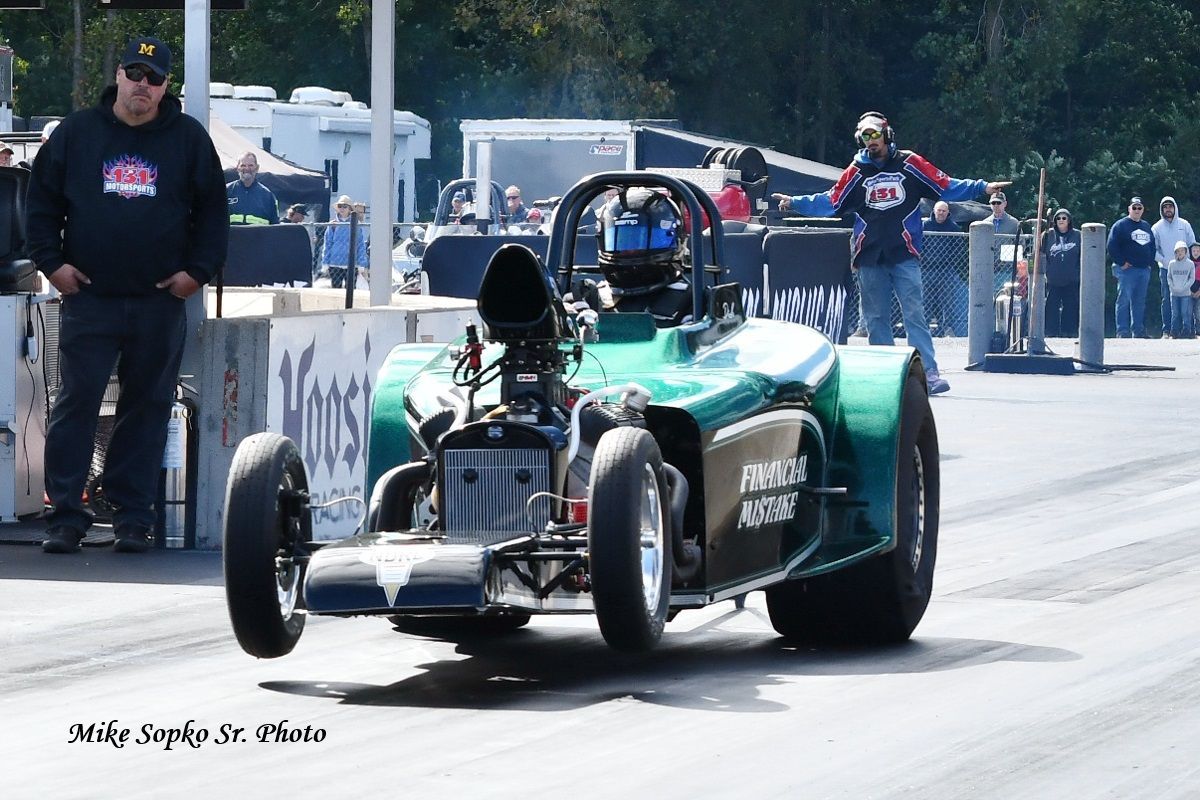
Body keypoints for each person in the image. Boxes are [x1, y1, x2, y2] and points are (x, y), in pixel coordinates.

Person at [26, 35, 228, 554]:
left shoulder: (188, 139)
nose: (143, 84)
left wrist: (197, 274)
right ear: (118, 75)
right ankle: (66, 515)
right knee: (76, 403)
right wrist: (52, 264)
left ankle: (133, 518)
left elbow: (212, 215)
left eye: (154, 78)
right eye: (135, 73)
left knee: (148, 407)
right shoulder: (76, 133)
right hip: (89, 297)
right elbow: (41, 204)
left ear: (165, 88)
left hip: (160, 300)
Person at [772, 111, 1010, 395]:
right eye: (864, 136)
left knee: (914, 314)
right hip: (869, 254)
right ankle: (887, 376)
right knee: (876, 319)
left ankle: (928, 372)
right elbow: (832, 200)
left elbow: (945, 185)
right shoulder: (857, 170)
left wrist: (982, 187)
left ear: (887, 134)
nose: (870, 141)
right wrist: (796, 202)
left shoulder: (910, 163)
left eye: (874, 134)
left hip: (904, 252)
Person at [592, 187, 692, 327]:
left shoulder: (691, 301)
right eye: (623, 240)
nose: (631, 250)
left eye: (640, 238)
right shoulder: (592, 298)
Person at [1107, 196, 1157, 338]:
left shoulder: (1146, 226)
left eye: (1139, 207)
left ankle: (1138, 330)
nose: (1136, 210)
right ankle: (1122, 331)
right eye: (1134, 207)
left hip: (1143, 270)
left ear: (1142, 210)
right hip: (1127, 270)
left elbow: (1152, 246)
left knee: (1139, 301)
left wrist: (1149, 263)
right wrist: (1121, 262)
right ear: (1129, 209)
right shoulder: (1120, 225)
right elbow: (1111, 246)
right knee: (1123, 300)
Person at [921, 200, 966, 336]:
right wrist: (923, 259)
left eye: (943, 211)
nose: (941, 213)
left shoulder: (954, 228)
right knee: (925, 300)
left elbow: (959, 249)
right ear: (934, 211)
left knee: (947, 301)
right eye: (939, 210)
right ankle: (925, 328)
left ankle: (947, 328)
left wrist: (949, 261)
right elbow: (918, 244)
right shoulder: (924, 225)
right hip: (926, 269)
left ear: (948, 213)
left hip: (946, 270)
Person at [1151, 197, 1194, 337]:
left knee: (1187, 299)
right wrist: (1163, 261)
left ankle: (1187, 330)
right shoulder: (1156, 227)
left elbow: (1192, 244)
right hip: (1166, 269)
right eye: (1165, 207)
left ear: (1175, 207)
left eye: (1170, 206)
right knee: (1167, 299)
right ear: (1162, 209)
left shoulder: (1184, 224)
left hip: (1186, 269)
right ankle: (1167, 330)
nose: (1168, 209)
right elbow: (1153, 250)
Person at [1040, 208, 1082, 337]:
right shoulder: (1047, 235)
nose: (1061, 220)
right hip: (1053, 279)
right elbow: (1041, 254)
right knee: (1051, 306)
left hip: (1072, 279)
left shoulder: (1078, 235)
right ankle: (1051, 332)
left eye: (1064, 218)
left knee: (1071, 306)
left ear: (1069, 220)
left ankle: (1069, 332)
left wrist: (1077, 272)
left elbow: (1082, 255)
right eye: (1058, 218)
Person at [320, 194, 368, 288]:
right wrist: (325, 262)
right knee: (336, 290)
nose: (342, 208)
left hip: (351, 263)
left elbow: (360, 244)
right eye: (339, 206)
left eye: (345, 206)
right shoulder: (333, 224)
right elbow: (328, 244)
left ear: (350, 208)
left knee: (350, 290)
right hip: (335, 263)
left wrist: (361, 263)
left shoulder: (355, 224)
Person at [226, 151, 278, 225]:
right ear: (237, 168)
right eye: (243, 165)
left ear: (257, 168)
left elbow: (275, 227)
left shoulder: (268, 196)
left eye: (250, 165)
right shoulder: (226, 191)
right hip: (232, 237)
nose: (247, 168)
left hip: (258, 236)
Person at [1165, 241, 1195, 338]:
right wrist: (1172, 286)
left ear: (1186, 251)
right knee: (1175, 313)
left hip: (1185, 293)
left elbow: (1192, 278)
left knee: (1185, 313)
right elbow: (1169, 277)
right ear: (1175, 252)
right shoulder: (1171, 264)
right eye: (1178, 251)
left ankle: (1187, 331)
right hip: (1174, 293)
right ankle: (1174, 332)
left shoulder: (1190, 264)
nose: (1180, 253)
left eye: (1182, 250)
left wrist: (1185, 287)